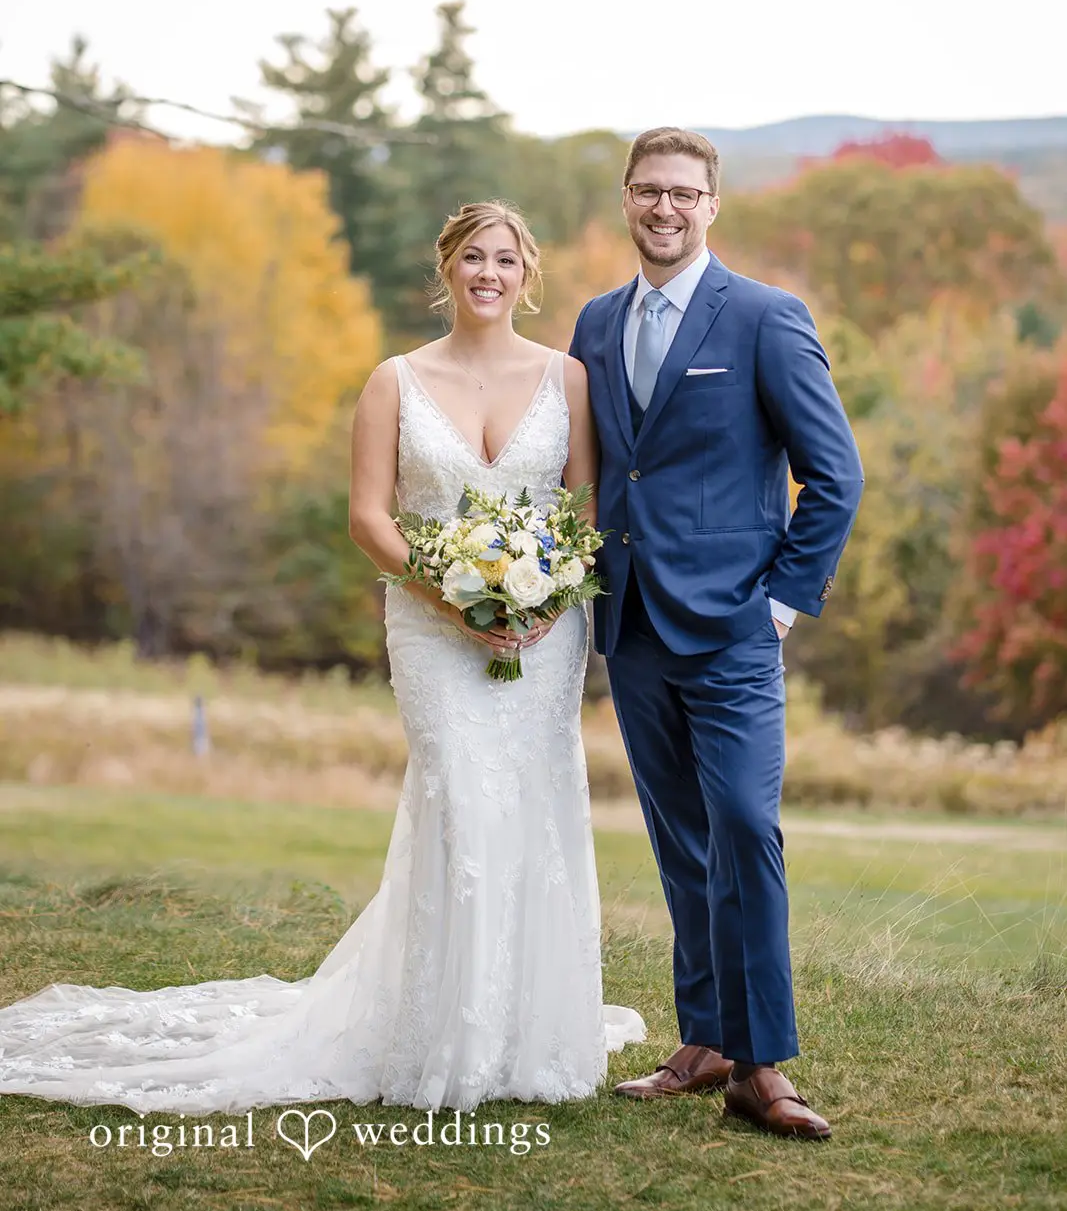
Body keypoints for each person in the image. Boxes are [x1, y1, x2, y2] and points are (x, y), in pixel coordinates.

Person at [0, 200, 644, 1116]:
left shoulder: (568, 379)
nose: (487, 273)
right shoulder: (394, 380)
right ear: (446, 269)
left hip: (544, 635)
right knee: (459, 803)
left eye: (505, 259)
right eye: (471, 257)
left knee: (533, 809)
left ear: (528, 275)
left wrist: (543, 597)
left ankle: (527, 1037)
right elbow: (368, 518)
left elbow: (582, 508)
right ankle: (440, 1037)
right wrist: (452, 597)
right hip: (431, 625)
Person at [570, 128, 864, 1140]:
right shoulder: (596, 324)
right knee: (680, 840)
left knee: (743, 825)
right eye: (648, 190)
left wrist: (779, 603)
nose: (664, 207)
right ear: (625, 200)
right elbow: (601, 469)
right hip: (633, 624)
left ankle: (761, 1062)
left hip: (735, 627)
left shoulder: (765, 318)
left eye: (683, 193)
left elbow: (834, 475)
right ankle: (701, 1040)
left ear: (711, 206)